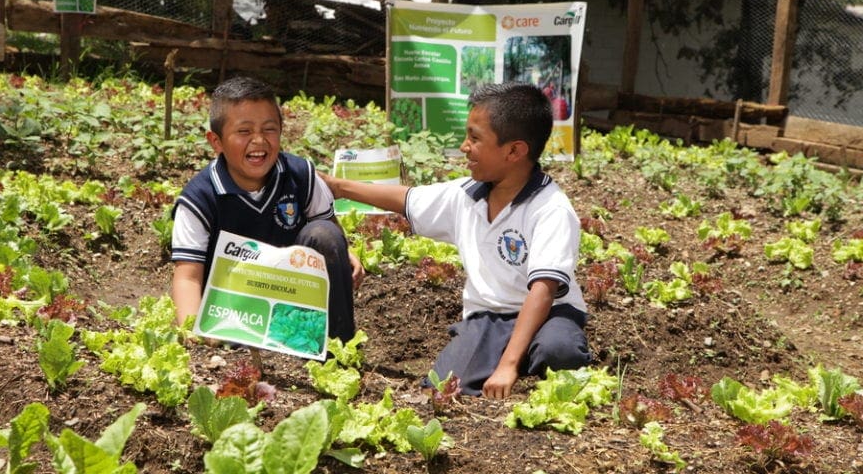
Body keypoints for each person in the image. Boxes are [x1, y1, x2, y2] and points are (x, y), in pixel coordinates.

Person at [321, 81, 591, 399]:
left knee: (559, 350)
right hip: (488, 317)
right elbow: (407, 198)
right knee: (446, 383)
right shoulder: (465, 195)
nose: (464, 146)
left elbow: (543, 291)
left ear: (515, 151)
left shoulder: (551, 208)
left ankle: (522, 358)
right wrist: (338, 187)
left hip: (550, 312)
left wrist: (507, 364)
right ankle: (505, 355)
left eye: (475, 138)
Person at [170, 76, 363, 342]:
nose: (259, 140)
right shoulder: (199, 199)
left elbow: (329, 232)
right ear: (216, 142)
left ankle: (337, 347)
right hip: (235, 316)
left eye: (269, 129)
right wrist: (195, 332)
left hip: (294, 307)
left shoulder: (302, 175)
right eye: (244, 131)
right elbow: (188, 277)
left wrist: (341, 255)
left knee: (325, 235)